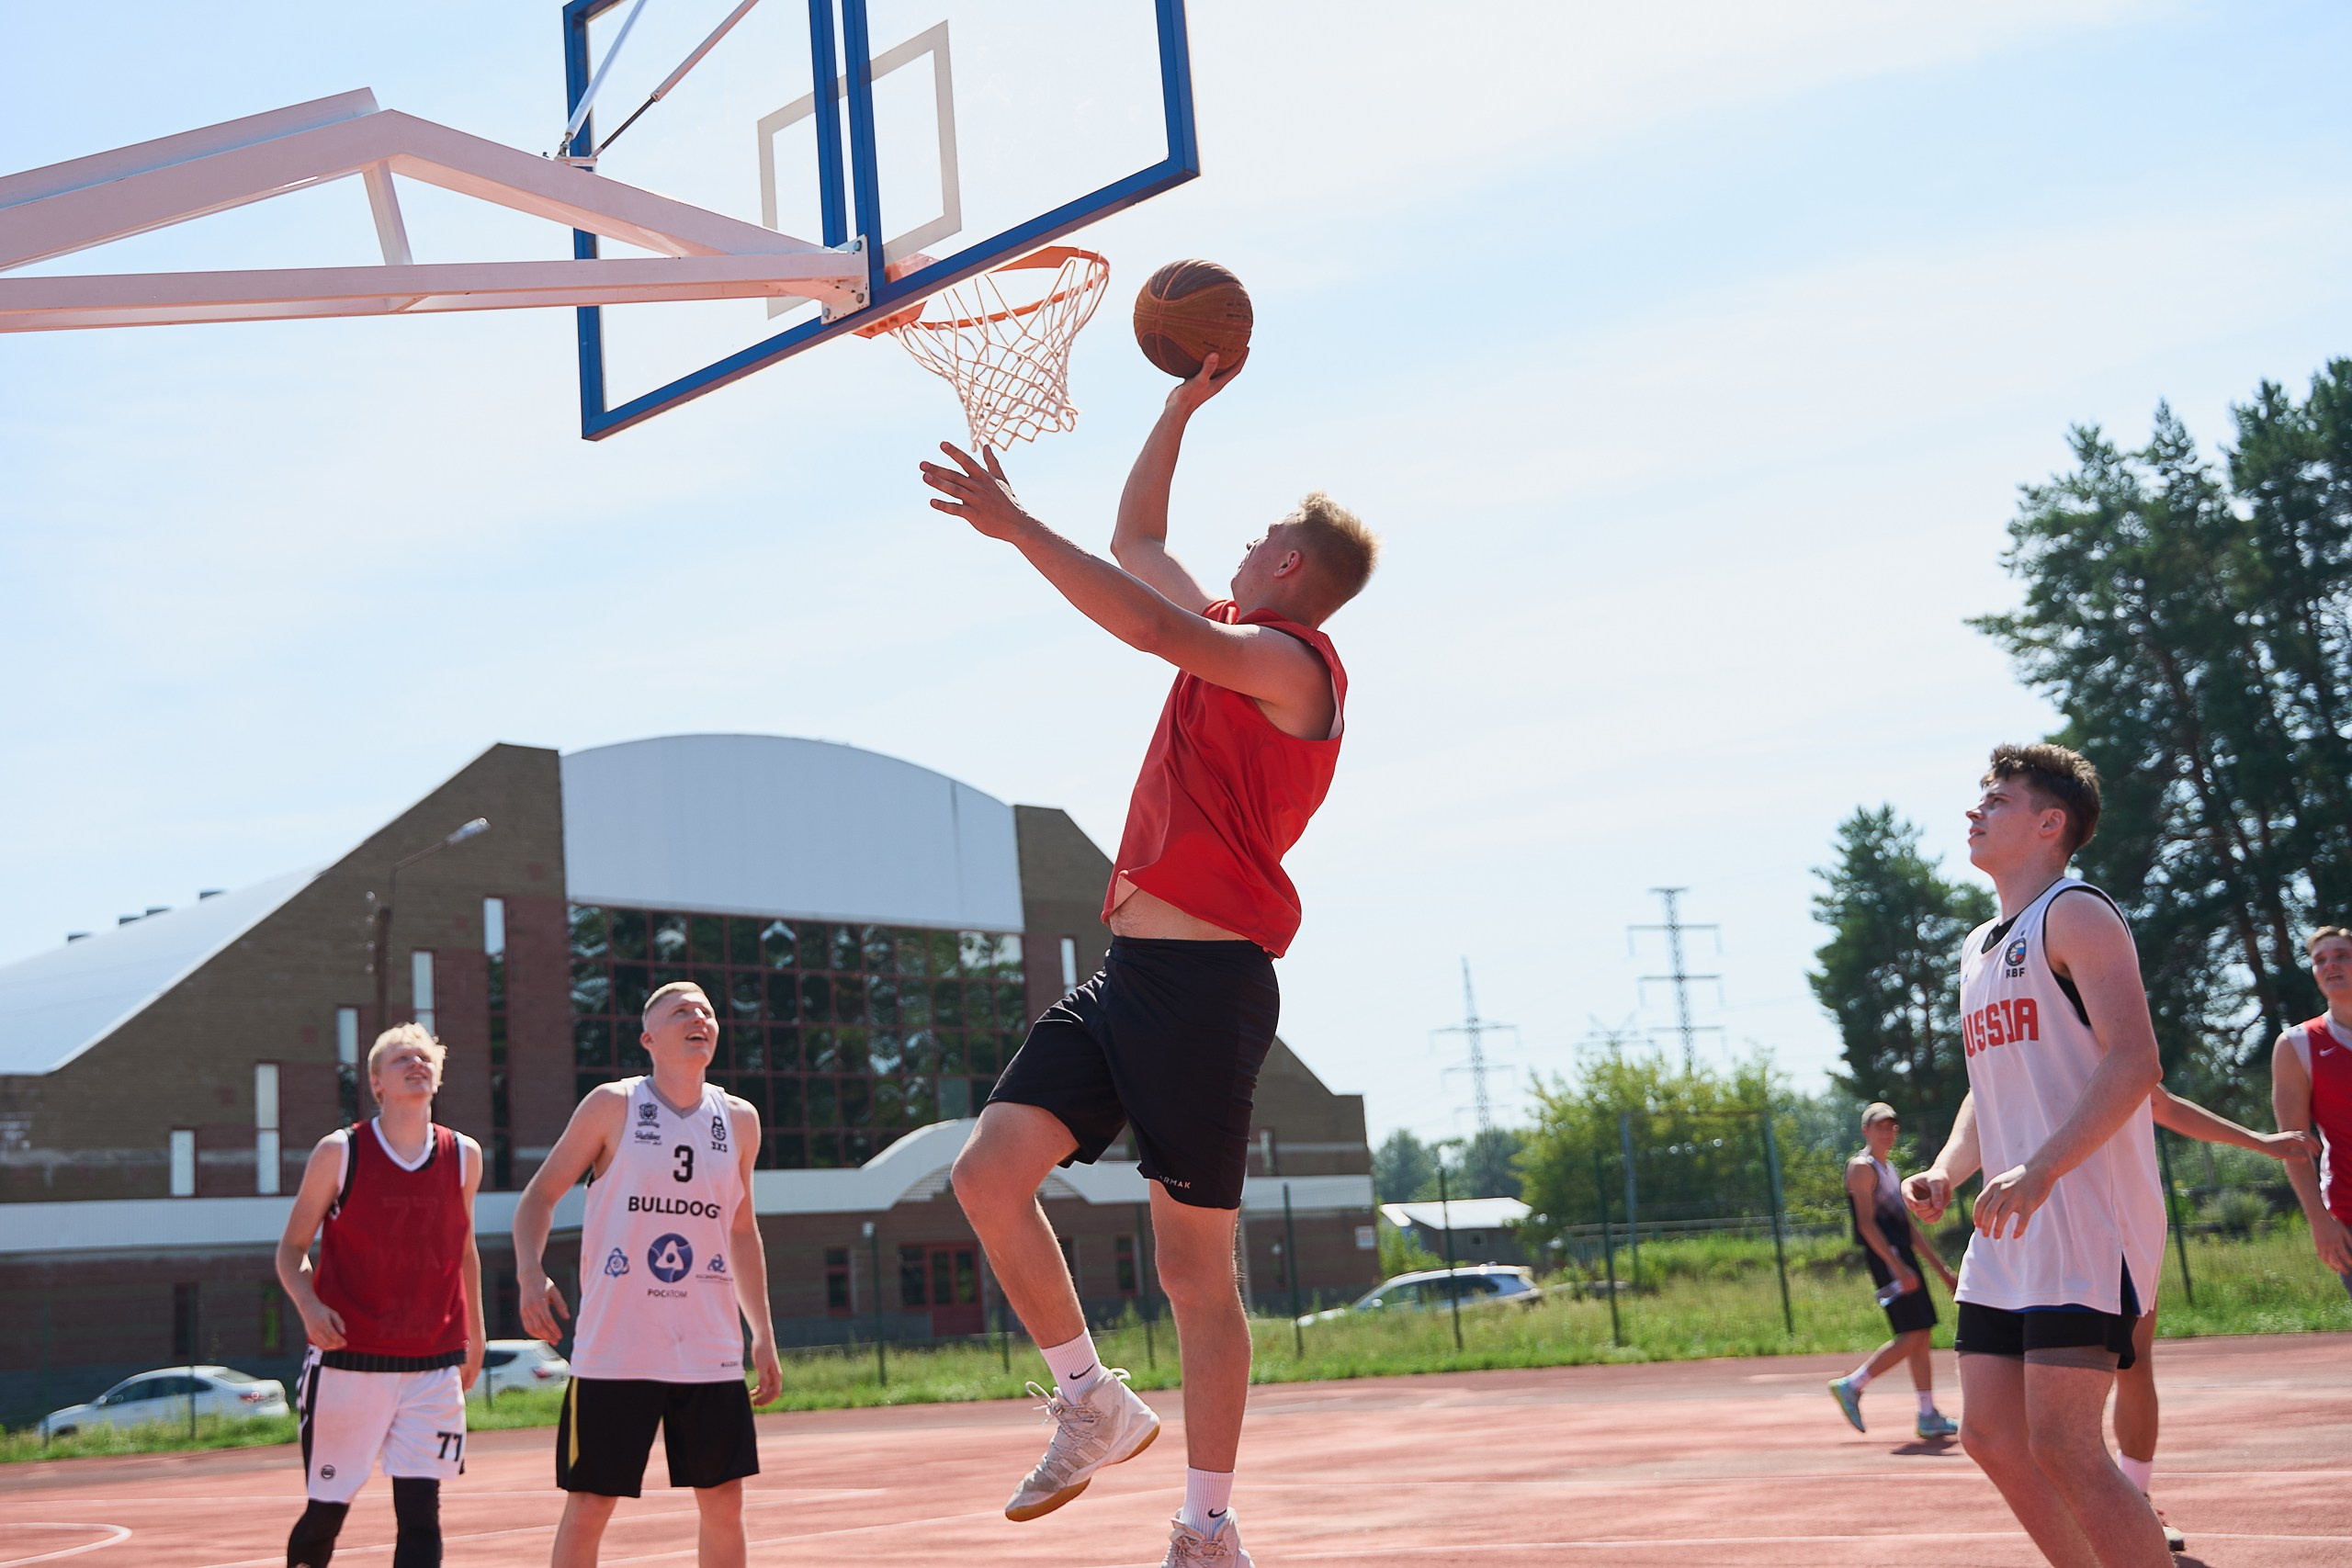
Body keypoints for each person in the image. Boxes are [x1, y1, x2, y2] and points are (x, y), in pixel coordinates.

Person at [922, 352, 1376, 1568]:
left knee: (1192, 1270)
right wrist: (1176, 409)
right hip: (1128, 976)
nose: (1247, 541)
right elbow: (1137, 541)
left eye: (1266, 535)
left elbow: (1146, 620)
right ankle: (1091, 1401)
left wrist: (1017, 526)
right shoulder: (1231, 636)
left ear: (1292, 569)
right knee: (987, 1173)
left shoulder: (1293, 667)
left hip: (1207, 988)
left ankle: (1207, 1526)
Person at [1904, 743, 2172, 1568]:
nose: (1976, 810)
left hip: (2085, 1219)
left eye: (1999, 799)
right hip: (2011, 1224)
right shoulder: (1978, 945)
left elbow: (2136, 1060)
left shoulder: (2076, 911)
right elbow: (1991, 1087)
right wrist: (1948, 1169)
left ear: (2051, 822)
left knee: (2065, 1444)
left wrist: (2045, 1165)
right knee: (1991, 1435)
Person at [513, 981, 784, 1568]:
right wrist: (531, 1274)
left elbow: (741, 1231)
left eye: (707, 1011)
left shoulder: (740, 1120)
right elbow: (539, 1197)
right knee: (591, 1503)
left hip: (708, 1348)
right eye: (681, 1010)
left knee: (724, 1501)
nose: (698, 1018)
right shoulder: (613, 1105)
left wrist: (761, 1331)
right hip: (617, 1348)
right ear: (648, 1038)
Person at [275, 1025, 484, 1568]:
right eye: (401, 1059)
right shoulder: (340, 1152)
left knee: (421, 1516)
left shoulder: (464, 1155)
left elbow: (464, 1251)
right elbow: (291, 1250)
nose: (416, 1064)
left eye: (425, 1058)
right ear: (376, 1083)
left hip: (432, 1364)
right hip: (350, 1360)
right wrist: (310, 1306)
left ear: (438, 1076)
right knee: (326, 1513)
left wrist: (475, 1336)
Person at [2115, 1090, 2314, 1551]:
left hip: (2123, 1221)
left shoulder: (2115, 1049)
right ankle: (2088, 1502)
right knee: (2060, 1377)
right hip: (2040, 1218)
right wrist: (1951, 1169)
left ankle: (2134, 1500)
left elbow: (2162, 1104)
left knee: (2133, 1363)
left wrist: (2260, 1141)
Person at [1826, 1101, 1959, 1440]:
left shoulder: (1890, 1169)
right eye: (1880, 1126)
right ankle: (1852, 1385)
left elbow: (1908, 1228)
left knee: (1922, 1333)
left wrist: (1942, 1271)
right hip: (1888, 1260)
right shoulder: (1862, 1168)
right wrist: (1896, 1266)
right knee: (1913, 1334)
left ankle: (1927, 1414)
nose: (1887, 1132)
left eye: (1891, 1126)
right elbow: (1866, 1225)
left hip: (1901, 1258)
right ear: (1866, 1130)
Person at [2274, 925, 2352, 1300]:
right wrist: (2320, 1220)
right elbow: (2293, 1144)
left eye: (2342, 956)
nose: (2330, 965)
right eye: (2320, 960)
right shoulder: (2297, 1045)